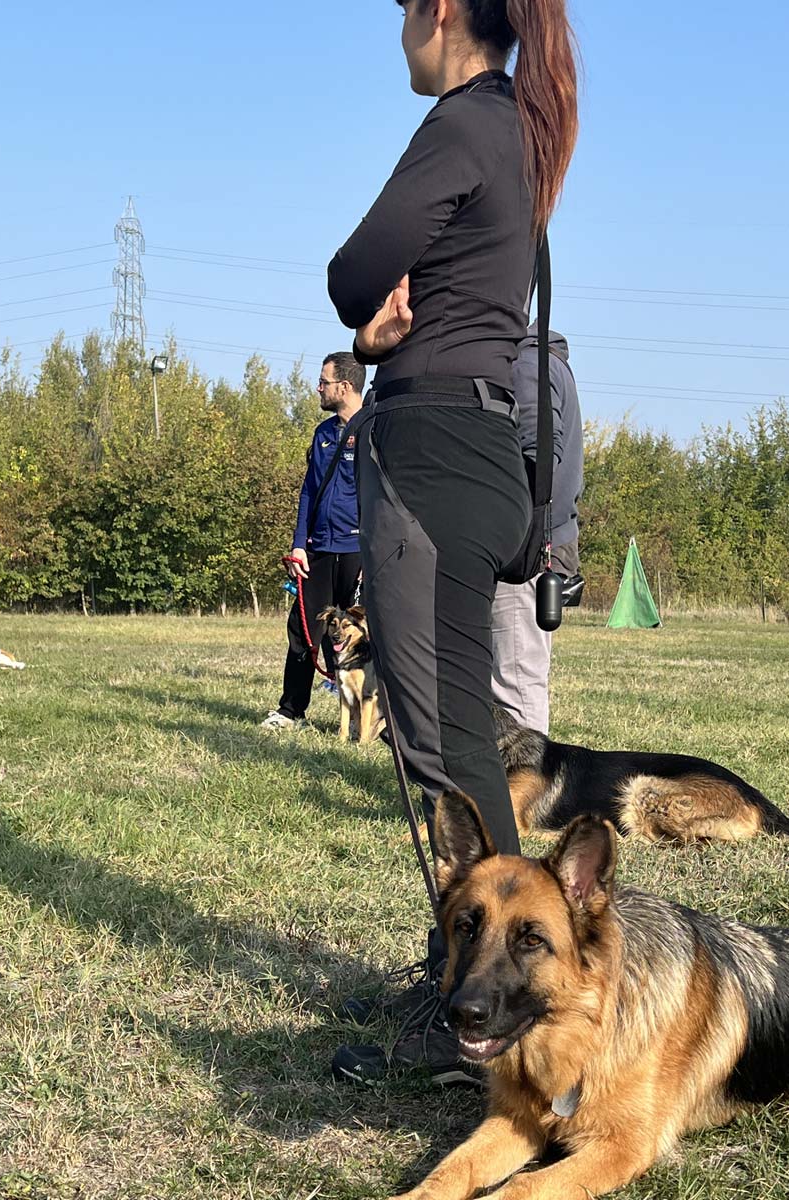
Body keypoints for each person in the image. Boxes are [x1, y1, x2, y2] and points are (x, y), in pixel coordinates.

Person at [326, 0, 579, 1083]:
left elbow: (353, 271)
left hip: (432, 457)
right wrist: (379, 340)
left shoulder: (467, 121)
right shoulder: (517, 127)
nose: (398, 33)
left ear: (439, 11)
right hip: (475, 449)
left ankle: (489, 1012)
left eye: (401, 11)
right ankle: (464, 976)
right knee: (455, 730)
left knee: (445, 745)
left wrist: (363, 326)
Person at [261, 353, 365, 730]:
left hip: (358, 551)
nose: (318, 388)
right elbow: (309, 491)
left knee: (360, 635)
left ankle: (364, 718)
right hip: (318, 549)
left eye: (324, 381)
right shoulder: (322, 433)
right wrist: (298, 545)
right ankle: (291, 711)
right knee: (303, 629)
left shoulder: (375, 429)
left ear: (345, 386)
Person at [491, 325, 583, 733]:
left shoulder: (527, 363)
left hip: (526, 546)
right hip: (542, 538)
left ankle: (525, 773)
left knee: (515, 676)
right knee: (515, 670)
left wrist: (513, 532)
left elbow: (540, 454)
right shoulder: (542, 361)